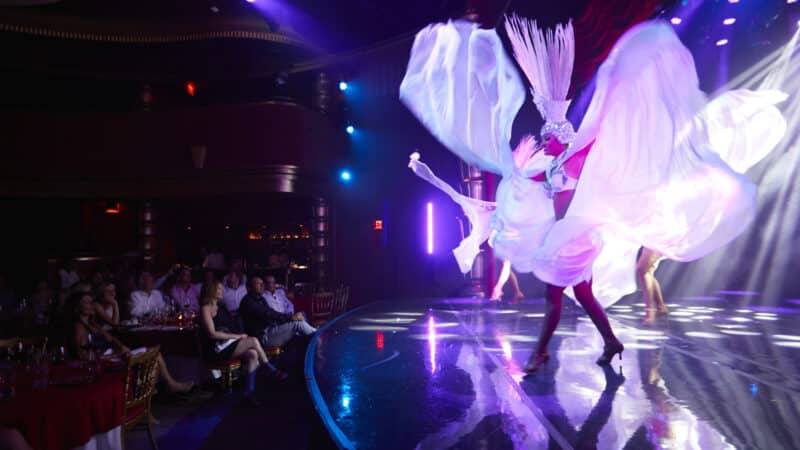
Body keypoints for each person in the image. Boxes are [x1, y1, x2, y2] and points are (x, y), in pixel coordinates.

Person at [400, 17, 785, 371]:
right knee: (583, 295)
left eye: (550, 138)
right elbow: (531, 182)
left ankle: (542, 351)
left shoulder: (571, 161)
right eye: (546, 139)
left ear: (559, 138)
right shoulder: (554, 164)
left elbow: (579, 155)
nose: (545, 142)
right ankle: (611, 341)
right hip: (570, 236)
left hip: (575, 237)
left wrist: (614, 90)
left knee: (554, 297)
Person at [66, 292, 193, 393]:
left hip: (115, 355)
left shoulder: (93, 323)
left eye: (91, 301)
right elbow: (86, 359)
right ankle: (166, 386)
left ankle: (153, 391)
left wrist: (122, 347)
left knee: (154, 352)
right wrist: (117, 354)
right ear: (78, 307)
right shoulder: (79, 328)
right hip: (106, 362)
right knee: (152, 354)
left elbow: (111, 338)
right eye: (86, 302)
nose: (91, 304)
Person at [199, 281, 286, 405]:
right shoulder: (205, 308)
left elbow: (229, 327)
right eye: (219, 289)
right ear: (211, 290)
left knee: (253, 354)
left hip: (226, 343)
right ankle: (269, 368)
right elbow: (212, 334)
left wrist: (236, 336)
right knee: (253, 340)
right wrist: (237, 336)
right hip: (215, 349)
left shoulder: (221, 306)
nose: (222, 291)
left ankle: (249, 392)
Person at [239, 276, 316, 349]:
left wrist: (289, 318)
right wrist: (291, 317)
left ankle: (316, 337)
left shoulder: (260, 299)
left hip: (270, 330)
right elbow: (268, 314)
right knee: (298, 324)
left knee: (300, 325)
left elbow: (271, 312)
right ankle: (318, 335)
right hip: (263, 337)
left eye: (262, 283)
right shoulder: (248, 302)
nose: (262, 286)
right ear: (249, 287)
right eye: (258, 284)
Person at [637, 248, 668, 325]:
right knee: (648, 270)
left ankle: (649, 311)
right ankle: (660, 307)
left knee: (643, 269)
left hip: (659, 240)